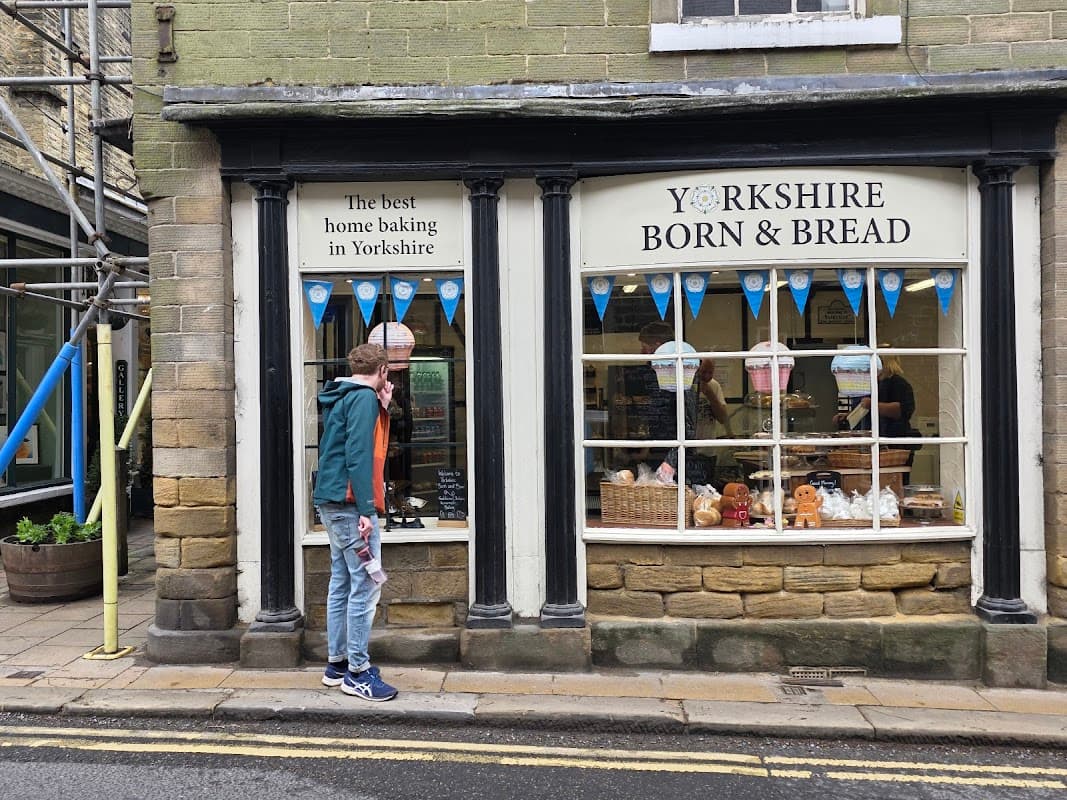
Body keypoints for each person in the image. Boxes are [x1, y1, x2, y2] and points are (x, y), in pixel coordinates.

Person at [312, 343, 398, 702]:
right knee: (365, 584)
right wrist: (366, 509)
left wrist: (384, 407)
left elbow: (353, 441)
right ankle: (358, 673)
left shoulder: (345, 395)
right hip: (350, 505)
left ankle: (338, 665)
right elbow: (360, 453)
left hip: (332, 501)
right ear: (383, 372)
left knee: (343, 580)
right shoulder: (363, 398)